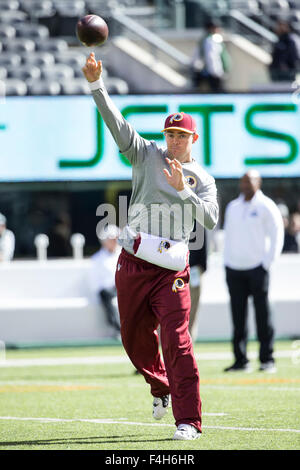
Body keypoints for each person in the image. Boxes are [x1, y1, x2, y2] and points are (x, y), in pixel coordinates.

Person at [82, 52, 218, 440]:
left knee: (177, 340)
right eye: (170, 134)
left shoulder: (203, 179)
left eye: (182, 135)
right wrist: (96, 85)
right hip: (134, 260)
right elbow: (116, 123)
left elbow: (209, 219)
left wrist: (183, 192)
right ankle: (160, 386)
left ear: (194, 138)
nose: (174, 140)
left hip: (172, 268)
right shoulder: (145, 155)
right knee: (133, 339)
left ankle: (189, 420)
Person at [223, 171, 284, 373]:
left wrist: (267, 264)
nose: (245, 185)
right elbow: (228, 236)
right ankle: (241, 361)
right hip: (234, 269)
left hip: (258, 269)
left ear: (258, 183)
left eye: (249, 181)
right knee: (237, 317)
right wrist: (227, 262)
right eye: (243, 181)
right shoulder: (232, 207)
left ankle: (267, 359)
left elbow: (277, 235)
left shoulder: (266, 206)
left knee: (263, 315)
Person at [89, 224, 121, 338]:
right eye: (112, 238)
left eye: (116, 237)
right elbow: (96, 283)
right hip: (108, 291)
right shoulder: (97, 259)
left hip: (123, 287)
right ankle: (118, 329)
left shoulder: (123, 254)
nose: (115, 240)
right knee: (105, 295)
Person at [191, 18, 230, 92]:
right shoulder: (210, 40)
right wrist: (217, 73)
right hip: (213, 74)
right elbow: (211, 57)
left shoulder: (205, 39)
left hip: (210, 73)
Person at [188, 226, 207, 342]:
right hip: (172, 270)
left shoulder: (197, 217)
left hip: (193, 270)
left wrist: (201, 268)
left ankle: (189, 348)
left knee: (191, 315)